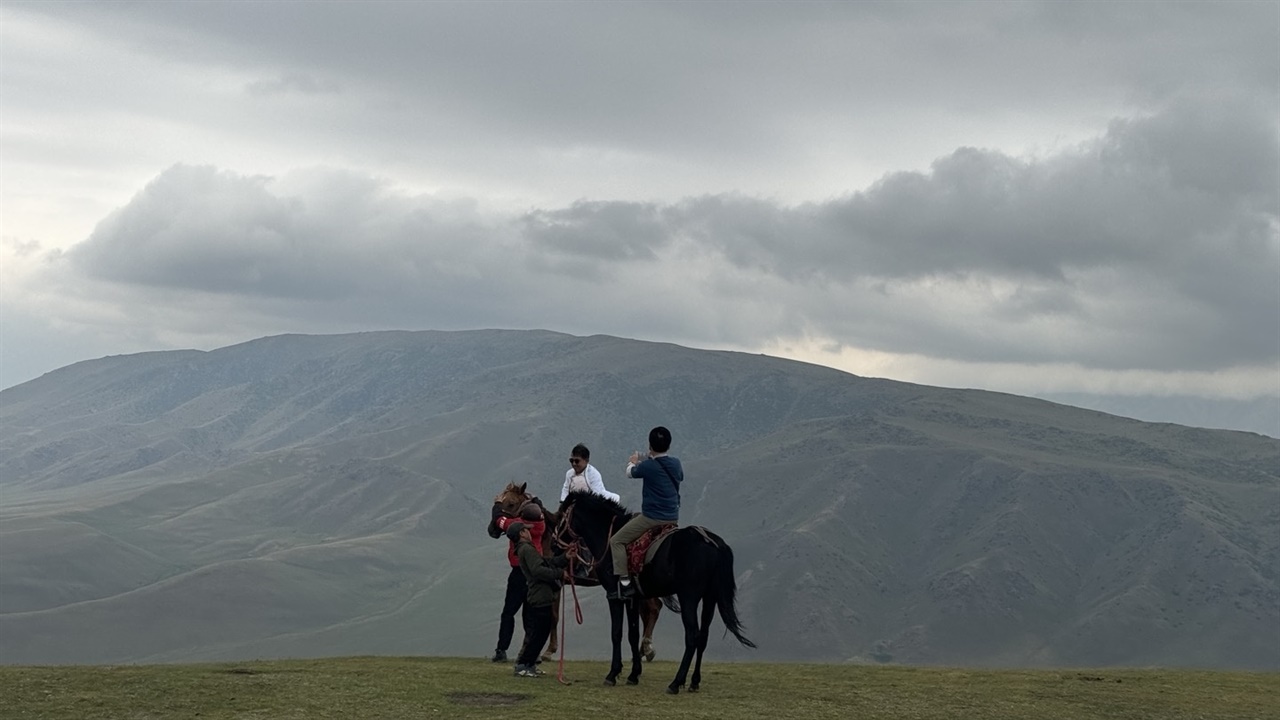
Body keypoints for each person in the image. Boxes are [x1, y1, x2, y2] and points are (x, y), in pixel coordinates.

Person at [608, 426, 682, 600]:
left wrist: (633, 460)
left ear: (650, 445)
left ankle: (625, 582)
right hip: (673, 516)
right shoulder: (676, 463)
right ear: (669, 445)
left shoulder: (647, 466)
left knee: (616, 541)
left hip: (651, 518)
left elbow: (629, 473)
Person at [510, 521, 569, 677]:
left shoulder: (525, 550)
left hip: (540, 595)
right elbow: (538, 570)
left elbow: (546, 562)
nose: (530, 532)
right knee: (539, 633)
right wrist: (559, 574)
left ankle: (528, 664)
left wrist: (564, 558)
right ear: (522, 534)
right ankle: (523, 665)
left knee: (541, 632)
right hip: (539, 595)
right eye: (526, 530)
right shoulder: (527, 550)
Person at [491, 503, 545, 663]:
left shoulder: (516, 525)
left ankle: (501, 650)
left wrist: (497, 506)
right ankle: (532, 652)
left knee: (508, 613)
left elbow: (499, 521)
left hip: (518, 574)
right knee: (530, 615)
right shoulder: (541, 525)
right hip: (535, 577)